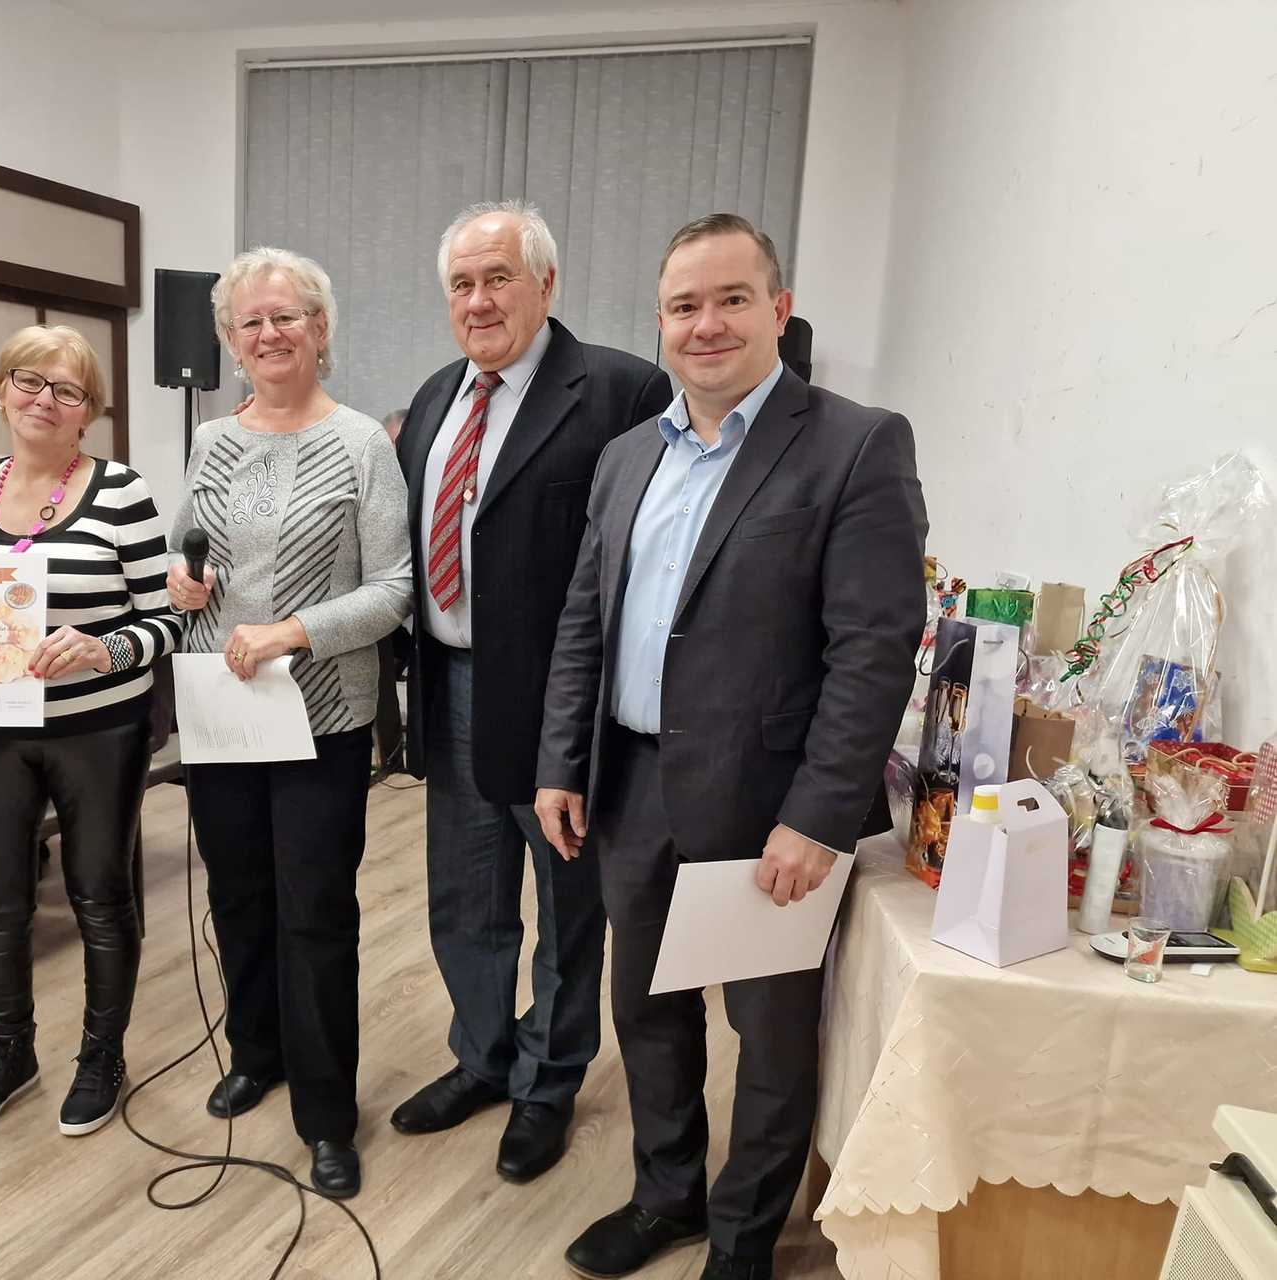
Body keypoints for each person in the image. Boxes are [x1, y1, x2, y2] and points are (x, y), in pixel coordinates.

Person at [533, 214, 927, 1280]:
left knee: (768, 1033)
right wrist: (561, 760)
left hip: (766, 804)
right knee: (645, 1009)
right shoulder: (626, 456)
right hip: (630, 786)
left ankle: (744, 1239)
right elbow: (584, 619)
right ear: (659, 321)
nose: (705, 324)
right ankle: (667, 1197)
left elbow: (872, 651)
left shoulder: (854, 443)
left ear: (778, 309)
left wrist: (817, 814)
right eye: (683, 305)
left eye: (731, 299)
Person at [389, 200, 673, 1183]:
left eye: (498, 277)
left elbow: (641, 561)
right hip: (449, 685)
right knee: (464, 898)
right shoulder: (434, 397)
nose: (478, 300)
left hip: (559, 705)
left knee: (566, 907)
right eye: (461, 284)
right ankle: (482, 1056)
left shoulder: (622, 390)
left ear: (546, 284)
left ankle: (547, 1083)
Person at [166, 247, 410, 1199]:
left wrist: (293, 631)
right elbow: (189, 555)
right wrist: (183, 582)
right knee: (237, 896)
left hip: (321, 715)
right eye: (250, 322)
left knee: (314, 914)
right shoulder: (209, 442)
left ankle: (326, 1112)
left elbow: (393, 589)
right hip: (222, 709)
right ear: (230, 342)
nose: (268, 334)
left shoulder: (362, 444)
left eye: (286, 316)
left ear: (320, 329)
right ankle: (255, 1051)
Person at [0, 324, 178, 1140]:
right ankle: (10, 1054)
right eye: (28, 380)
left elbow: (165, 620)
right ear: (1, 390)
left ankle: (101, 1058)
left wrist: (101, 648)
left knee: (98, 893)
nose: (44, 400)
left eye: (67, 390)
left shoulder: (120, 491)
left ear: (89, 410)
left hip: (98, 727)